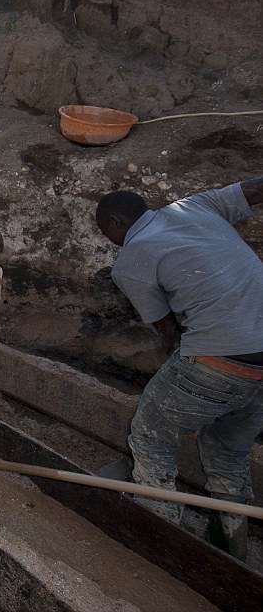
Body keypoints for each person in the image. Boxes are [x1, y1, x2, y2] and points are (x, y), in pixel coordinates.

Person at [94, 179, 263, 560]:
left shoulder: (132, 260)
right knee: (228, 455)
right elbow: (254, 189)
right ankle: (230, 551)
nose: (107, 239)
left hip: (220, 356)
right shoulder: (197, 206)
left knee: (151, 434)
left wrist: (180, 387)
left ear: (117, 222)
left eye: (104, 231)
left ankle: (162, 543)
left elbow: (169, 332)